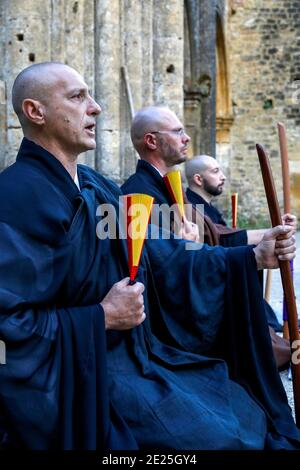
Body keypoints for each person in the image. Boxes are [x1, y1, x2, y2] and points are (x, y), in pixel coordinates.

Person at [0, 65, 299, 451]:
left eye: (91, 95)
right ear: (35, 111)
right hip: (75, 383)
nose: (96, 108)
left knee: (241, 408)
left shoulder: (97, 187)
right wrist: (101, 317)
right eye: (77, 97)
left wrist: (251, 256)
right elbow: (8, 326)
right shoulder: (14, 200)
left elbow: (159, 255)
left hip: (136, 359)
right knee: (217, 439)